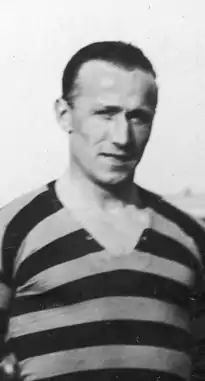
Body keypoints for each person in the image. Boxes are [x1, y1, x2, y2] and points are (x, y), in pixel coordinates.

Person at [0, 41, 204, 381]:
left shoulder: (190, 237)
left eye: (138, 117)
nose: (122, 137)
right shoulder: (12, 229)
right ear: (64, 114)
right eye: (104, 113)